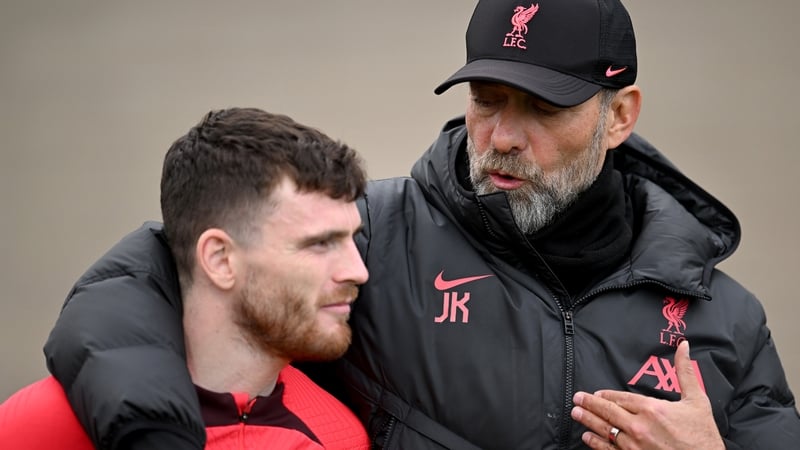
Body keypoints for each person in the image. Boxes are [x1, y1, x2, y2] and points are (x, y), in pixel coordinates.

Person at [41, 0, 800, 449]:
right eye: (488, 98)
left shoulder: (722, 318)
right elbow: (154, 273)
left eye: (543, 107)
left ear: (619, 116)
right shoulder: (368, 239)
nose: (503, 135)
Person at [0, 108, 371, 450]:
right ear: (220, 259)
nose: (357, 271)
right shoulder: (45, 427)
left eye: (351, 239)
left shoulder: (339, 434)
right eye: (321, 243)